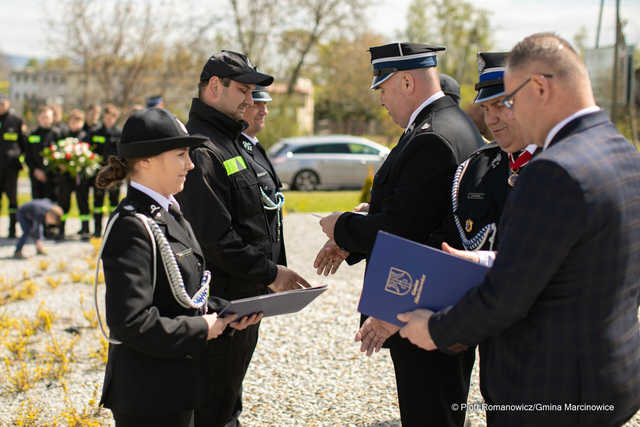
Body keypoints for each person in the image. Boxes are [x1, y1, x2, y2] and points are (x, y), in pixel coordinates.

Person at [398, 33, 640, 426]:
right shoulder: (621, 150)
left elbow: (505, 298)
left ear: (540, 87)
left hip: (553, 392)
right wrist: (486, 257)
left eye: (509, 100)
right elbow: (580, 253)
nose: (500, 115)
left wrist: (434, 330)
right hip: (610, 379)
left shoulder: (553, 170)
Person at [316, 42, 483, 427]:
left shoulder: (431, 137)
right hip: (444, 298)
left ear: (407, 81)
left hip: (421, 301)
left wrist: (340, 225)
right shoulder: (452, 124)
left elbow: (401, 232)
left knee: (429, 410)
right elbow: (415, 210)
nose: (380, 101)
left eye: (383, 88)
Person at [95, 107, 262, 427]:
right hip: (148, 393)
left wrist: (226, 312)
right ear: (145, 160)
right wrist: (202, 328)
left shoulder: (169, 210)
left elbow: (182, 295)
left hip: (177, 383)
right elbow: (130, 323)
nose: (190, 164)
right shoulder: (133, 225)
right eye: (182, 154)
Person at [177, 50, 310, 427]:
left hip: (243, 297)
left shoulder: (234, 141)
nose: (251, 101)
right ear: (214, 87)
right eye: (244, 90)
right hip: (220, 303)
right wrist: (270, 273)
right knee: (213, 406)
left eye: (253, 92)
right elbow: (213, 237)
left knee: (227, 397)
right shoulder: (203, 149)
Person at [447, 52, 537, 262]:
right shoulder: (476, 167)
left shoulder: (560, 164)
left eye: (499, 105)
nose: (490, 120)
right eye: (485, 108)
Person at [55, 109, 90, 239]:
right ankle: (61, 229)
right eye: (72, 121)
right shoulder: (64, 135)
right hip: (66, 176)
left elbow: (90, 154)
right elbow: (58, 152)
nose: (75, 123)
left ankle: (85, 228)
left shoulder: (86, 135)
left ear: (82, 122)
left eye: (78, 121)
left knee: (83, 202)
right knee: (64, 202)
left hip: (80, 176)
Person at [90, 103, 122, 236]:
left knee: (114, 203)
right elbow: (90, 151)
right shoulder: (96, 133)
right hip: (100, 173)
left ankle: (112, 230)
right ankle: (97, 231)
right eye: (106, 117)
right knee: (98, 203)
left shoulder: (119, 133)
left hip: (115, 174)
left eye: (111, 118)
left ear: (115, 118)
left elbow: (123, 155)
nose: (108, 120)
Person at [0, 93, 27, 238]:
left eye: (3, 103)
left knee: (12, 200)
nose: (1, 106)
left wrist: (17, 157)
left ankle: (12, 229)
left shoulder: (16, 121)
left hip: (11, 168)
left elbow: (24, 144)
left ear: (8, 103)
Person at [26, 105, 60, 200]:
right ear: (38, 118)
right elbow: (28, 156)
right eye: (43, 117)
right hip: (36, 176)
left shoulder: (57, 134)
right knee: (37, 206)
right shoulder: (32, 134)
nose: (45, 120)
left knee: (52, 205)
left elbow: (62, 156)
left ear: (52, 118)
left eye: (48, 117)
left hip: (53, 177)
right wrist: (35, 170)